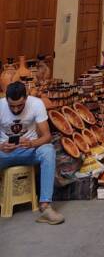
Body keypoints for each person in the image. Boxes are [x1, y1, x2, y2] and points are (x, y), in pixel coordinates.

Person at [0, 81, 64, 224]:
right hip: (5, 153)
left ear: (26, 98)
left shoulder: (36, 104)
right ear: (6, 99)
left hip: (29, 151)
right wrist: (1, 146)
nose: (16, 109)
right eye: (12, 106)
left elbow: (47, 136)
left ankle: (46, 207)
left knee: (48, 151)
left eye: (20, 105)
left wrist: (31, 143)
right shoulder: (0, 106)